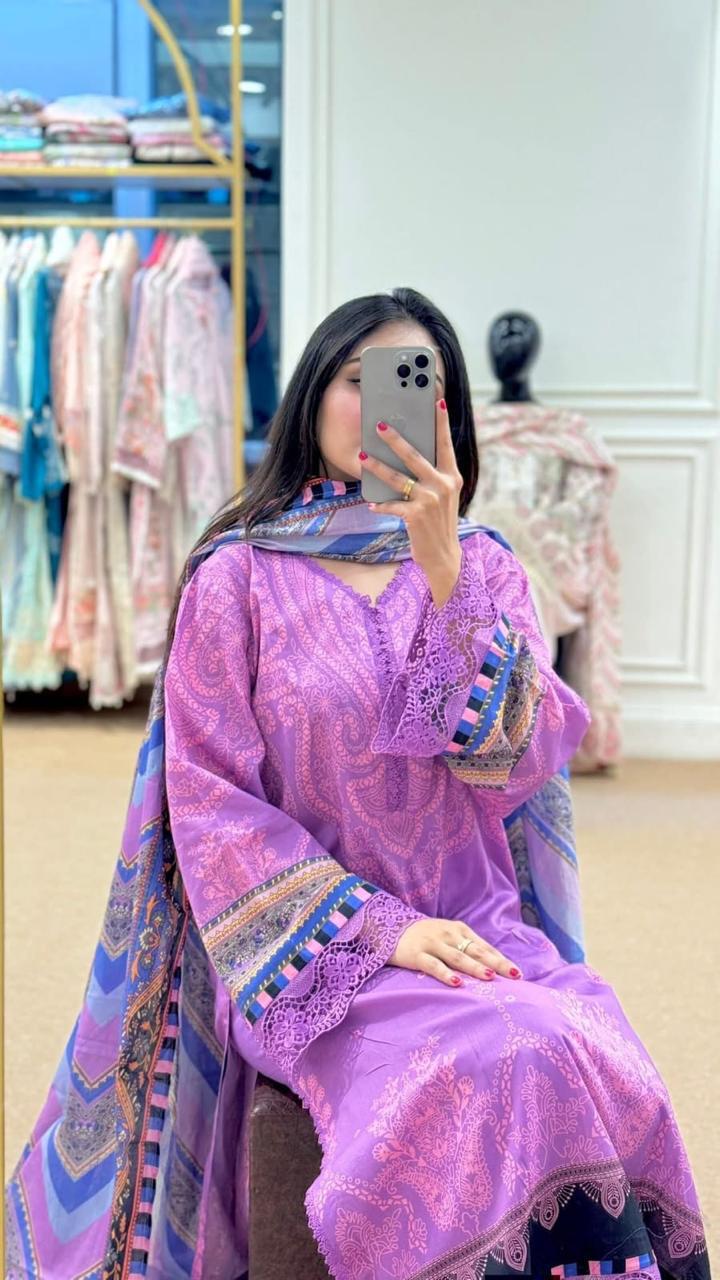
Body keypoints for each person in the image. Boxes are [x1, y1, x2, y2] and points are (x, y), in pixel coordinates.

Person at [5, 289, 709, 1280]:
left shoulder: (486, 569)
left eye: (416, 385)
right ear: (313, 395)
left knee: (588, 1047)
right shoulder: (237, 578)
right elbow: (212, 806)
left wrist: (444, 565)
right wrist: (381, 932)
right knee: (493, 1061)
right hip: (323, 959)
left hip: (476, 929)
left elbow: (512, 762)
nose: (381, 408)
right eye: (357, 379)